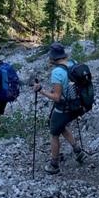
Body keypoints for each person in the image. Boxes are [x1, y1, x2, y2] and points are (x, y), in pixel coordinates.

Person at [33, 42, 86, 174]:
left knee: (54, 132)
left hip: (64, 107)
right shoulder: (73, 62)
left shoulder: (57, 72)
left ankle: (54, 164)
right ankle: (77, 150)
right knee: (60, 126)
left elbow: (56, 97)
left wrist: (41, 90)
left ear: (52, 57)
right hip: (78, 105)